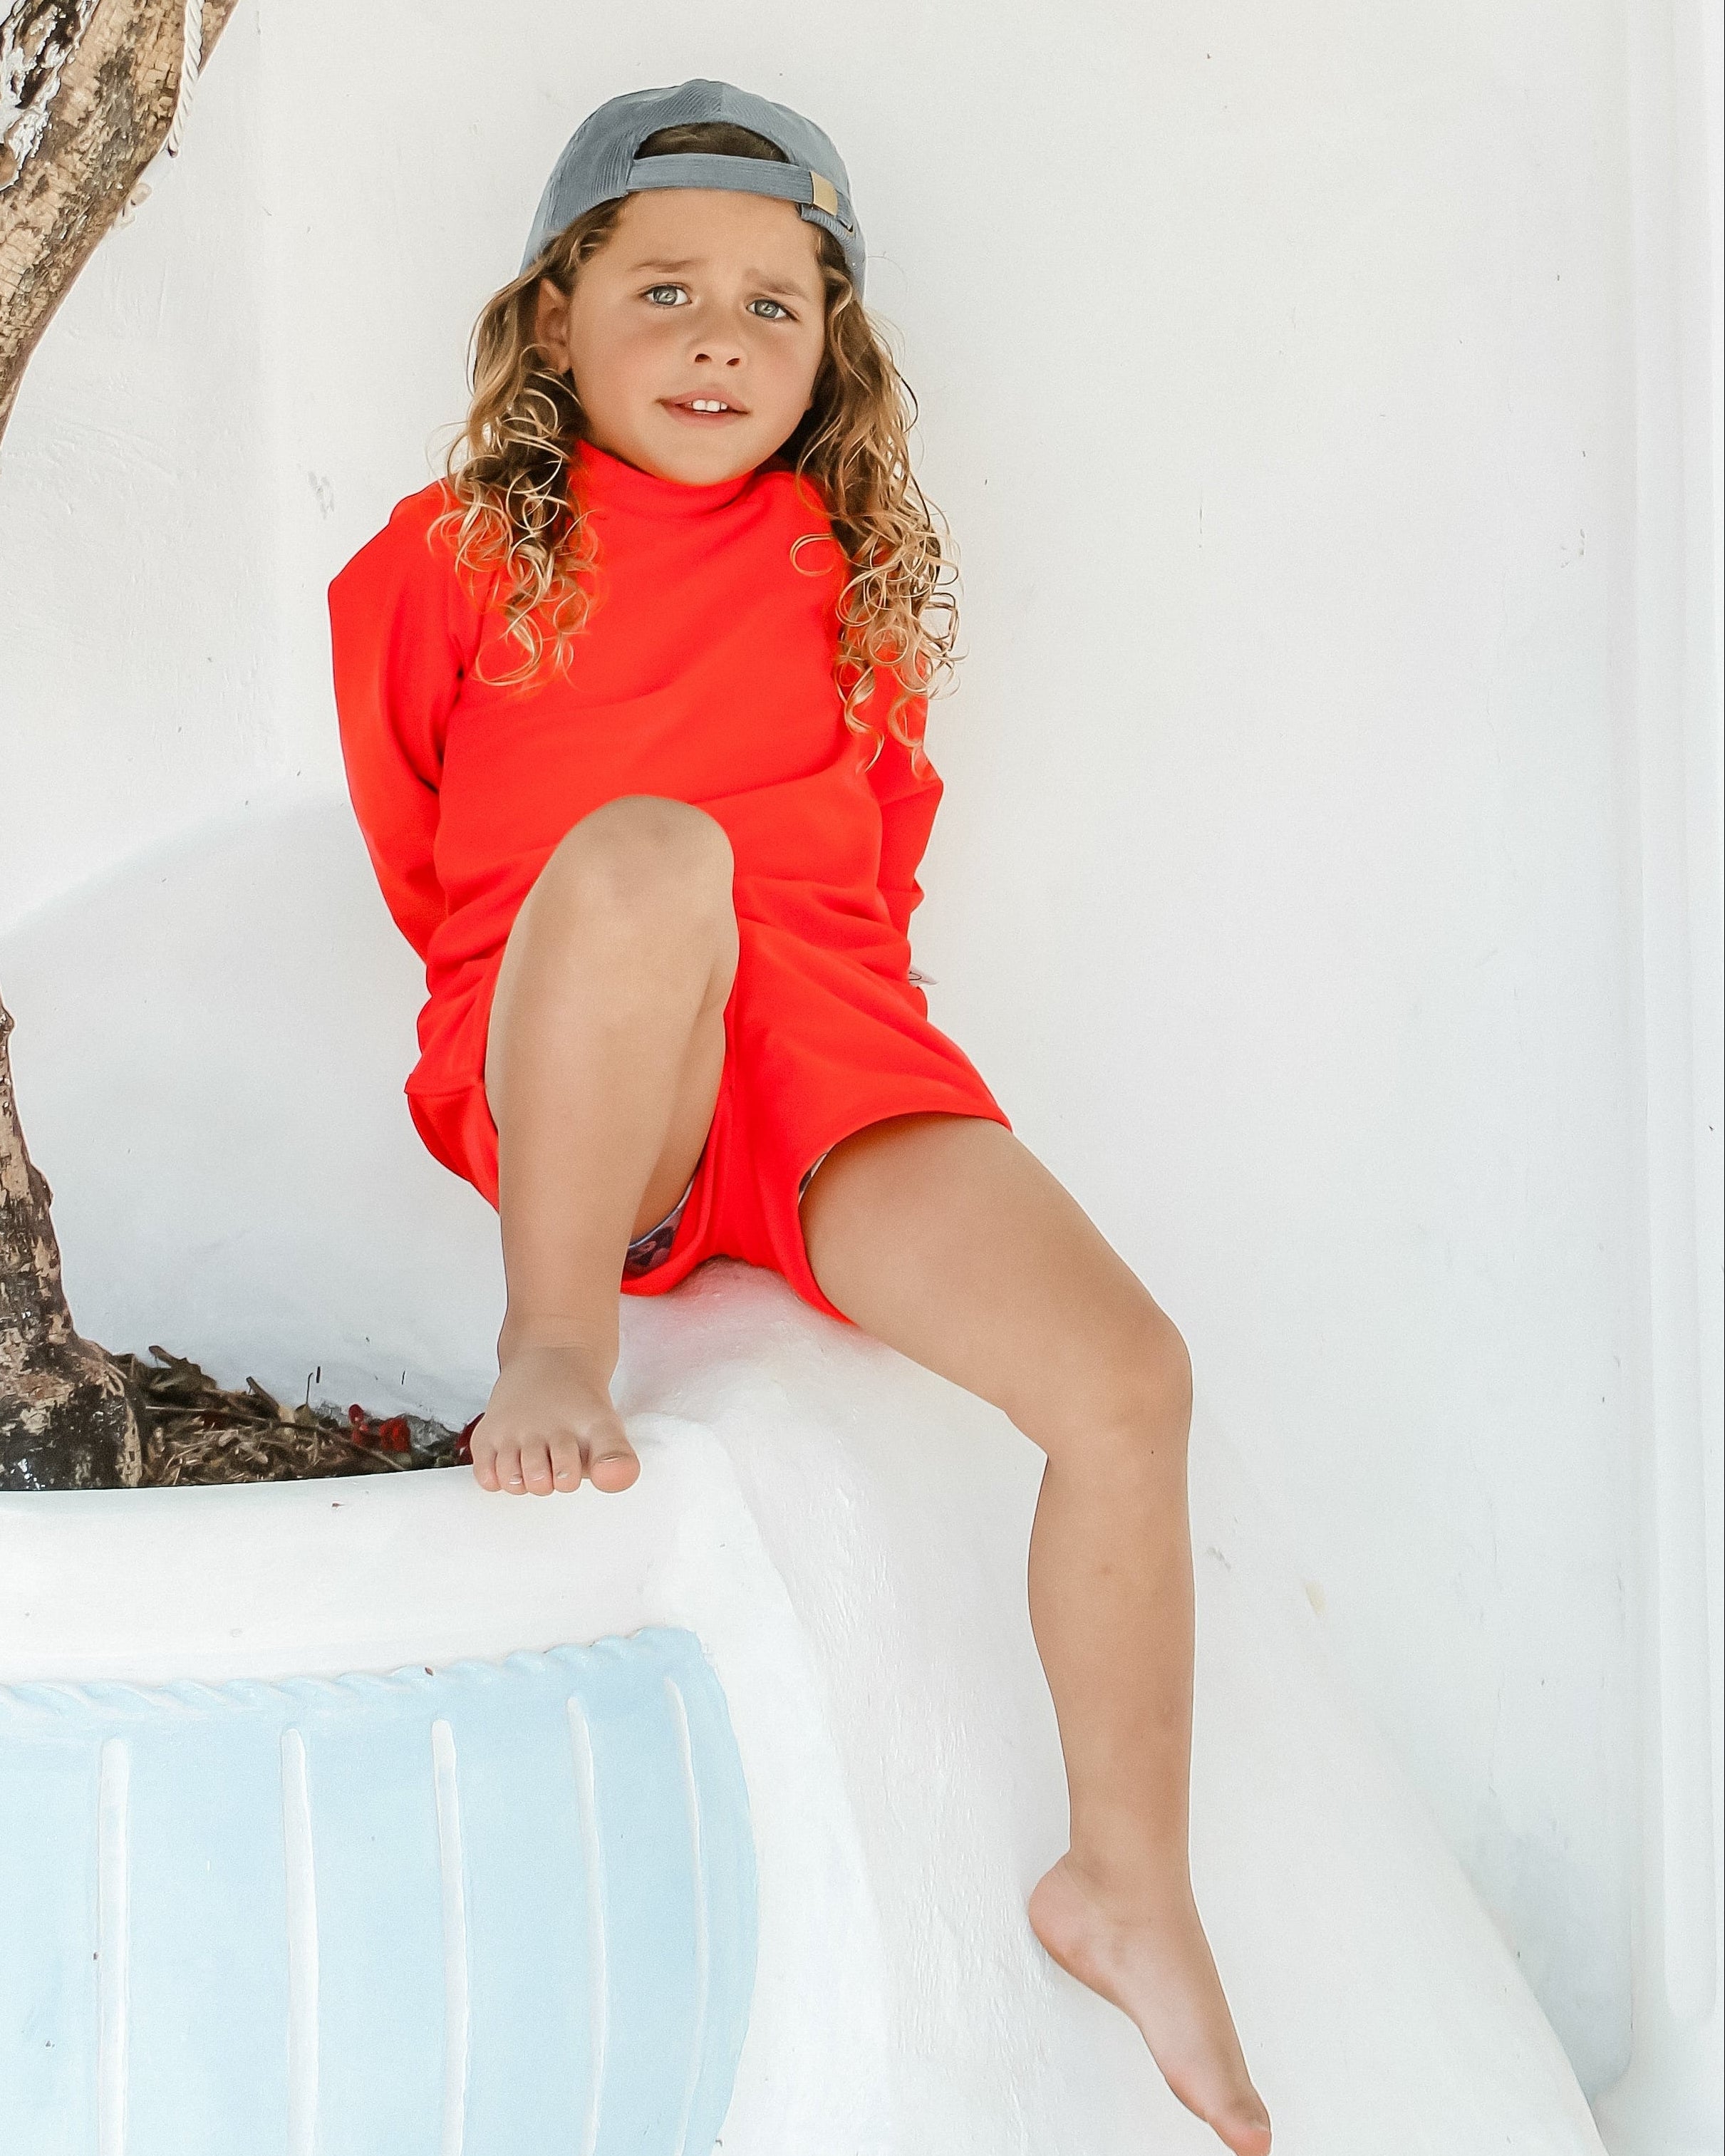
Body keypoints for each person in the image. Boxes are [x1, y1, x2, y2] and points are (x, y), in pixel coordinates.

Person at [327, 78, 1273, 2155]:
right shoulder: (454, 554)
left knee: (1129, 1380)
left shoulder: (845, 574)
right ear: (554, 314)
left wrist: (840, 1094)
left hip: (824, 1049)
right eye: (663, 289)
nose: (720, 338)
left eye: (775, 300)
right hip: (599, 1037)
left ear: (831, 345)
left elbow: (878, 863)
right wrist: (577, 1001)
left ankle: (1128, 1876)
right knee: (658, 855)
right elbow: (420, 839)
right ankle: (553, 1327)